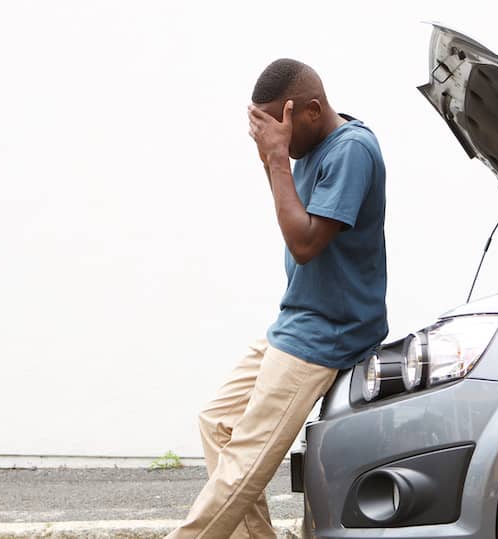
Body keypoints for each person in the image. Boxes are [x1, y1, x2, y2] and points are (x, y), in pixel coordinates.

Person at [166, 58, 388, 538]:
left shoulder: (352, 151)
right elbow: (294, 220)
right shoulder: (310, 143)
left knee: (243, 458)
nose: (275, 138)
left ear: (310, 110)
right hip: (299, 320)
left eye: (279, 125)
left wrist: (276, 158)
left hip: (331, 332)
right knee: (217, 421)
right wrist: (274, 158)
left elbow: (305, 245)